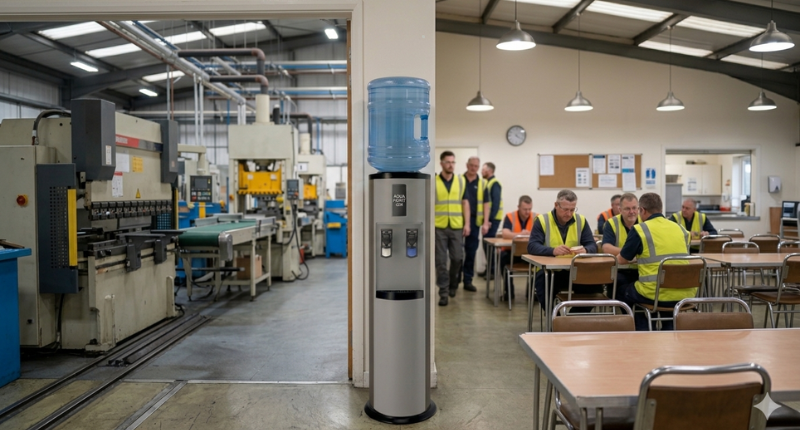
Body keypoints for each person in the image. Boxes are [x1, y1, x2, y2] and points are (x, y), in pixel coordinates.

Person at [616, 193, 692, 330]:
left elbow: (622, 260)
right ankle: (669, 329)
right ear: (660, 209)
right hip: (684, 292)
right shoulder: (681, 229)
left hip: (653, 293)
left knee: (621, 290)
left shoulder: (641, 229)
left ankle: (642, 329)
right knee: (667, 297)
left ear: (642, 210)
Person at [527, 190, 601, 312]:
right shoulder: (542, 220)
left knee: (595, 288)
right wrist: (552, 251)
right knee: (542, 285)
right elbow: (532, 246)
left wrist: (586, 250)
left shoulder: (581, 220)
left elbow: (592, 244)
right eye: (565, 209)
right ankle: (555, 321)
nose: (569, 213)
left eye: (572, 210)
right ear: (556, 205)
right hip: (550, 272)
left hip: (576, 270)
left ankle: (572, 320)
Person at [435, 151, 470, 306]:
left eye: (453, 162)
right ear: (441, 163)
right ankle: (443, 292)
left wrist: (467, 224)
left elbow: (465, 203)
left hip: (456, 225)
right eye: (448, 162)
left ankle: (453, 284)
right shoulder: (434, 181)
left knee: (457, 258)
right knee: (441, 262)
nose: (451, 165)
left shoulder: (461, 181)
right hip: (439, 226)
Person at [499, 195, 538, 300]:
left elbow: (542, 235)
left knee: (539, 263)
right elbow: (505, 234)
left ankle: (533, 293)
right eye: (525, 209)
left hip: (529, 254)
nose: (527, 212)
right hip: (511, 253)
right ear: (518, 207)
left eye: (529, 209)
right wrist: (521, 234)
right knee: (502, 259)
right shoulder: (510, 216)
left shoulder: (536, 217)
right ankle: (509, 292)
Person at [459, 156, 488, 293]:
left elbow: (487, 204)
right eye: (471, 165)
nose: (473, 168)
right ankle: (455, 279)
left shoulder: (482, 183)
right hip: (458, 221)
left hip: (475, 222)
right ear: (467, 165)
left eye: (476, 166)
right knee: (457, 253)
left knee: (470, 252)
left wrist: (486, 222)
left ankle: (468, 280)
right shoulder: (458, 180)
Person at [601, 193, 640, 288]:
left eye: (634, 208)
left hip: (642, 270)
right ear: (620, 210)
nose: (632, 212)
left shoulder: (646, 222)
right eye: (627, 209)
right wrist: (630, 254)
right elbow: (606, 248)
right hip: (619, 270)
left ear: (639, 209)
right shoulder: (611, 223)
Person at [478, 162, 503, 279]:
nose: (481, 172)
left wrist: (489, 221)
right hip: (489, 220)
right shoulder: (487, 183)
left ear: (489, 171)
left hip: (493, 220)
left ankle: (492, 272)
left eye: (483, 170)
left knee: (489, 245)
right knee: (486, 245)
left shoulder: (494, 184)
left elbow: (496, 203)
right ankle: (489, 270)